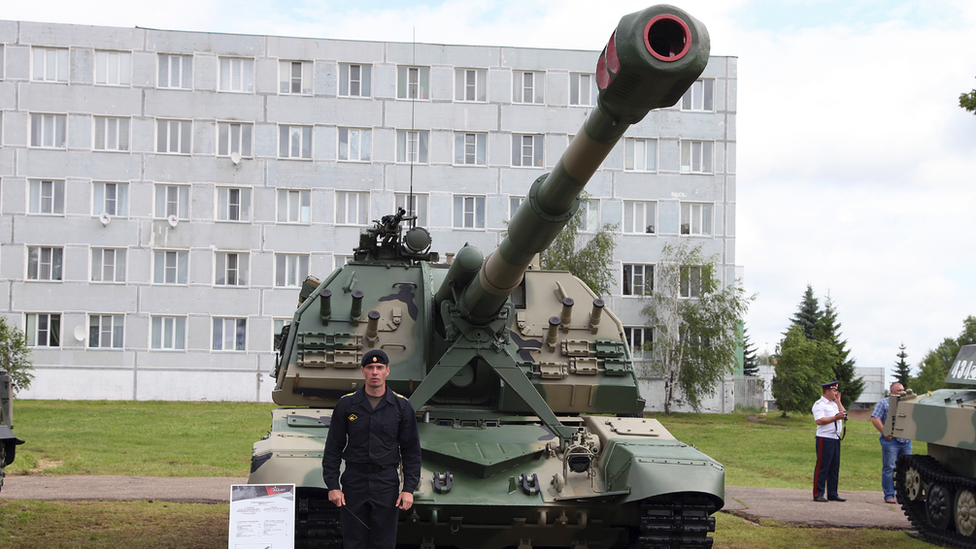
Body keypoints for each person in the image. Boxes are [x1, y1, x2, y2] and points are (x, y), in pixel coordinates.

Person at [322, 349, 422, 549]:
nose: (374, 372)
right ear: (362, 371)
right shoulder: (347, 404)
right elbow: (333, 447)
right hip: (354, 482)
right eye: (370, 367)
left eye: (379, 367)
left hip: (386, 483)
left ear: (387, 371)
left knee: (383, 543)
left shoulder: (401, 406)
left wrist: (408, 489)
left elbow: (411, 451)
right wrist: (333, 485)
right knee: (353, 542)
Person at [871, 382, 912, 504]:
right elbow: (875, 418)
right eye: (899, 390)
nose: (902, 392)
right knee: (889, 468)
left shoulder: (908, 404)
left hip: (905, 441)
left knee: (905, 469)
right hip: (891, 441)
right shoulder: (884, 403)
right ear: (892, 391)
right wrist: (885, 432)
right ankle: (889, 495)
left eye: (903, 390)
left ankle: (902, 495)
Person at [812, 380, 847, 502]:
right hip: (825, 438)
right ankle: (818, 493)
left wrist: (838, 402)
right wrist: (835, 418)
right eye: (834, 390)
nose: (836, 392)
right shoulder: (819, 404)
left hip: (835, 438)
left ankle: (832, 493)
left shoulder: (834, 404)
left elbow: (845, 415)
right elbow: (819, 421)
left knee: (834, 467)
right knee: (823, 466)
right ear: (827, 391)